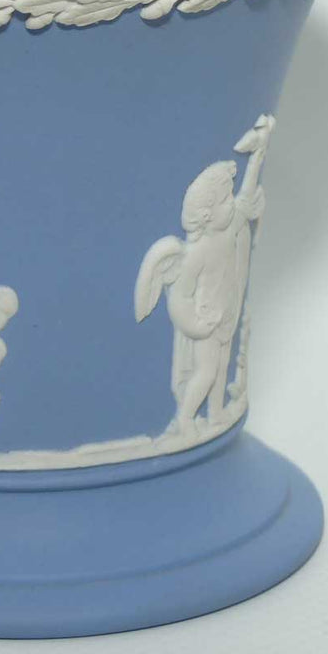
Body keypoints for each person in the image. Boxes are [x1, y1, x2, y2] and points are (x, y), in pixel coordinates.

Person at [135, 115, 274, 436]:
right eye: (225, 199)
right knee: (207, 372)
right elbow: (180, 296)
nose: (232, 202)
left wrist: (257, 156)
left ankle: (215, 413)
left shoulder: (228, 228)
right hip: (207, 322)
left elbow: (246, 198)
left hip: (226, 314)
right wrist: (196, 326)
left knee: (222, 367)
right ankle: (186, 417)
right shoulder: (197, 252)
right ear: (207, 214)